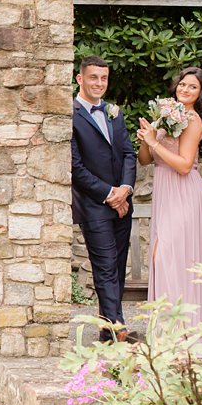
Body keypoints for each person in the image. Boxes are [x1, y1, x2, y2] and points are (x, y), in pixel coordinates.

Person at [136, 66, 202, 327]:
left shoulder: (192, 120)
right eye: (183, 84)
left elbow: (183, 164)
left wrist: (156, 142)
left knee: (170, 256)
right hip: (164, 192)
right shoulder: (166, 114)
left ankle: (185, 328)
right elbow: (145, 160)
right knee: (163, 260)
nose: (185, 89)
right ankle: (166, 329)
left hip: (184, 194)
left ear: (200, 93)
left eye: (192, 86)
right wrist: (147, 139)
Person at [72, 56, 138, 343]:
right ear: (80, 79)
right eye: (93, 77)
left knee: (118, 266)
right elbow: (75, 167)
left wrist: (124, 188)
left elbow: (128, 153)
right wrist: (109, 194)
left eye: (104, 78)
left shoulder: (114, 112)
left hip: (123, 204)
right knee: (105, 265)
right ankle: (117, 327)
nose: (99, 83)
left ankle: (107, 328)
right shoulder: (70, 114)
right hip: (93, 205)